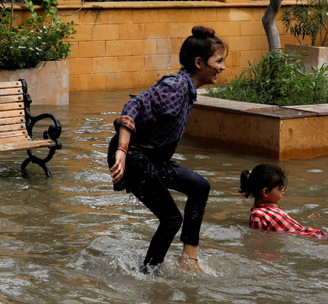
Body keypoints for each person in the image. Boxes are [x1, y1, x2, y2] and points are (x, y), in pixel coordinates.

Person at [108, 26, 227, 274]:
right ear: (199, 62)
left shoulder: (187, 89)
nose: (222, 67)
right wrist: (122, 150)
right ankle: (148, 274)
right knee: (172, 219)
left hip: (153, 158)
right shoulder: (176, 86)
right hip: (134, 156)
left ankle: (188, 260)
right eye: (219, 61)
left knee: (200, 186)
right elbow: (133, 104)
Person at [239, 163, 325, 239]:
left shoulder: (260, 214)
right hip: (316, 235)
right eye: (280, 189)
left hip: (313, 236)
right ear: (265, 192)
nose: (282, 192)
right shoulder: (262, 214)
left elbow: (258, 240)